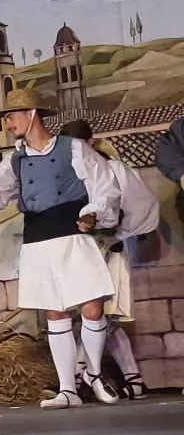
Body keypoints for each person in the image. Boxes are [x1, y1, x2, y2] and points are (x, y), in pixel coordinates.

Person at [0, 89, 121, 408]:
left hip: (72, 235)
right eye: (6, 118)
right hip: (38, 240)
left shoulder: (72, 148)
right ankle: (68, 390)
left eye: (11, 116)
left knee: (92, 306)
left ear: (31, 114)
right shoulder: (15, 160)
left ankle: (92, 372)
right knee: (55, 311)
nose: (8, 123)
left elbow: (105, 186)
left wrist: (92, 213)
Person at [59, 118, 159, 399]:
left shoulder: (113, 170)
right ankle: (133, 380)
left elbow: (142, 205)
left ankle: (78, 376)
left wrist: (119, 235)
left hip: (107, 249)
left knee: (104, 316)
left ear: (90, 143)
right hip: (81, 250)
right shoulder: (67, 175)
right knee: (98, 317)